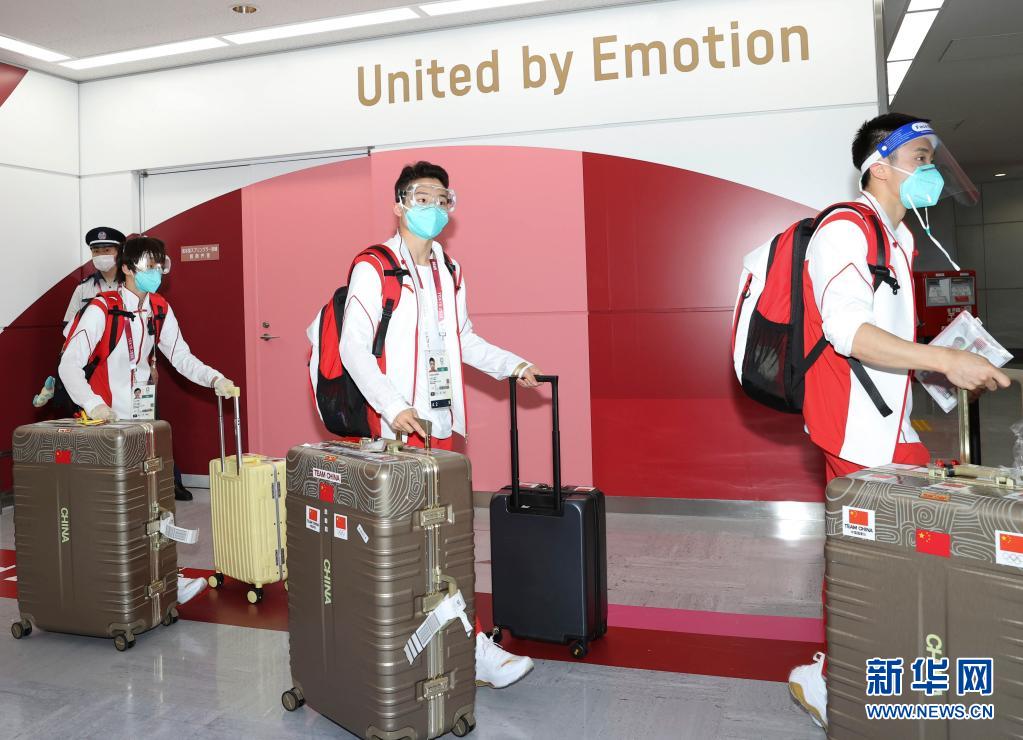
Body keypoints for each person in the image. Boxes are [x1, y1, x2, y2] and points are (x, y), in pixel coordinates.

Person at [787, 113, 1011, 729]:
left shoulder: (899, 236)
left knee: (892, 552)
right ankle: (833, 681)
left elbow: (888, 335)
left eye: (932, 157)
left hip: (892, 420)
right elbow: (848, 331)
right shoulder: (844, 229)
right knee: (866, 558)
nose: (929, 170)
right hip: (854, 426)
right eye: (919, 158)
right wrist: (944, 360)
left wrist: (944, 365)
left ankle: (880, 666)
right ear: (878, 166)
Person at [339, 161, 543, 689]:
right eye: (422, 198)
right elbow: (352, 348)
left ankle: (461, 647)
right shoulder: (375, 267)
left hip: (440, 426)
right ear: (399, 205)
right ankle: (434, 646)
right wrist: (392, 407)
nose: (433, 207)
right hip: (394, 432)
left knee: (442, 541)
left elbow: (463, 338)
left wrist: (511, 365)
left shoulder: (449, 270)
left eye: (442, 198)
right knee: (408, 546)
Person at [33, 227, 126, 408]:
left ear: (119, 252)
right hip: (90, 364)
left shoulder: (130, 285)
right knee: (91, 411)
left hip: (122, 361)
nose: (101, 255)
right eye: (96, 251)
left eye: (107, 250)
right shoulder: (83, 288)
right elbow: (69, 330)